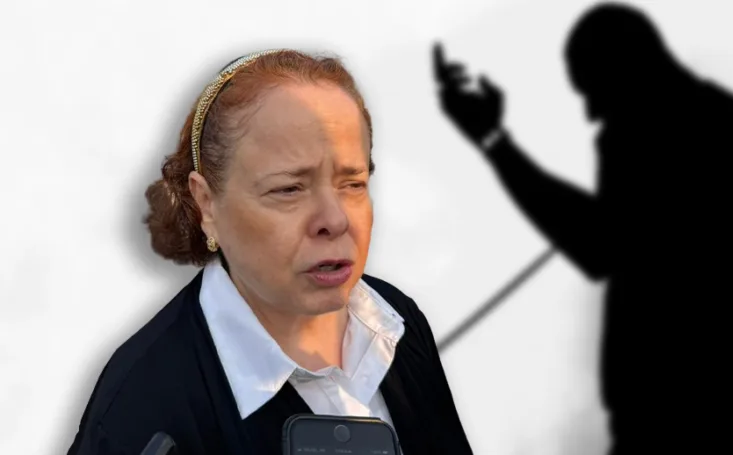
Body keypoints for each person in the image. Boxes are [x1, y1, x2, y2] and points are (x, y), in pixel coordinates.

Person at [67, 49, 473, 455]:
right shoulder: (140, 408)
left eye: (353, 183)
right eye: (289, 189)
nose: (335, 220)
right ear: (207, 204)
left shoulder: (398, 322)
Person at [433, 3, 733, 455]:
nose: (593, 116)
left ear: (627, 72)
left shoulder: (658, 130)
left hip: (671, 418)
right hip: (705, 411)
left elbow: (600, 245)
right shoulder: (723, 121)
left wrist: (495, 142)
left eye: (596, 94)